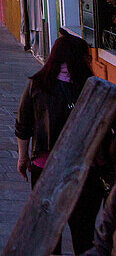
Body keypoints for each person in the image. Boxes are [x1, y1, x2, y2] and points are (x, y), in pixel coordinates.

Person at [16, 33, 105, 254]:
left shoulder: (37, 84)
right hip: (85, 172)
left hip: (46, 170)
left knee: (47, 234)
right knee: (83, 234)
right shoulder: (93, 87)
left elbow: (23, 124)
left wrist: (23, 157)